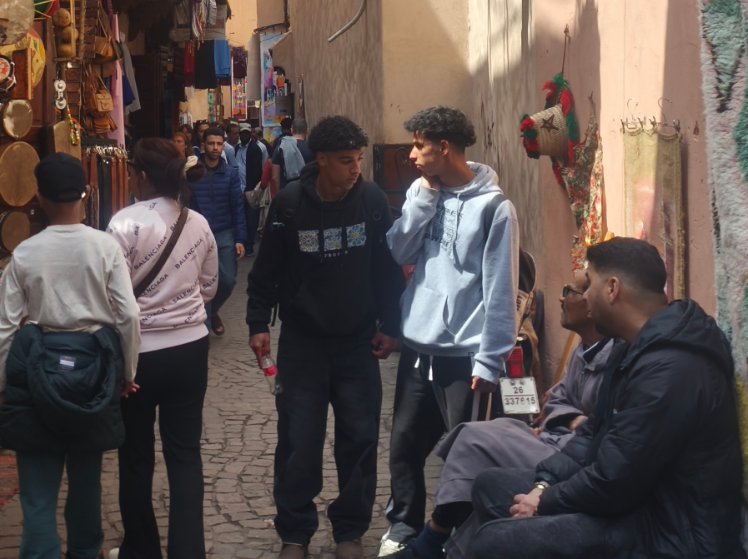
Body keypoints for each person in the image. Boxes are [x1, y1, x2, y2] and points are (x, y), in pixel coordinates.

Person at [464, 237, 743, 559]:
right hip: (634, 506)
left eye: (589, 286)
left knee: (494, 543)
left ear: (612, 288)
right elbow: (592, 434)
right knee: (490, 486)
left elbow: (615, 482)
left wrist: (545, 502)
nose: (584, 297)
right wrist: (543, 485)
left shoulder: (672, 370)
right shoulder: (632, 346)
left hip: (669, 532)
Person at [246, 116, 406, 559]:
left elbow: (387, 272)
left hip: (357, 344)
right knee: (299, 440)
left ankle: (350, 531)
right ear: (320, 160)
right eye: (345, 161)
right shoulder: (291, 204)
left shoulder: (371, 200)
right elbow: (266, 270)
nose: (355, 169)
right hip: (303, 345)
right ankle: (294, 532)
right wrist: (258, 323)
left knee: (360, 439)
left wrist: (390, 326)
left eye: (358, 159)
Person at [382, 106, 520, 556]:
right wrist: (422, 199)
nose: (412, 154)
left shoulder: (496, 209)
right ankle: (401, 529)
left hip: (464, 355)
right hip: (418, 347)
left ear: (444, 148)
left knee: (466, 458)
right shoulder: (423, 192)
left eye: (419, 146)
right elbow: (398, 246)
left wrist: (490, 358)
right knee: (404, 445)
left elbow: (500, 288)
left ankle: (459, 537)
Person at [0, 153, 141, 559]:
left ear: (38, 197)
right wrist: (127, 373)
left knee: (37, 493)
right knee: (87, 482)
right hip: (92, 369)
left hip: (37, 366)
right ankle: (85, 552)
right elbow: (128, 314)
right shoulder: (105, 246)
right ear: (86, 194)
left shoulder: (24, 253)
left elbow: (6, 327)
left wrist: (2, 384)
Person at [399, 275, 613, 559]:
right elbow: (557, 400)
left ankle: (433, 541)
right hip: (555, 439)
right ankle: (436, 541)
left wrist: (575, 423)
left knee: (475, 441)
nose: (561, 299)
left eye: (569, 291)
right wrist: (573, 419)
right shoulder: (583, 348)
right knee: (475, 434)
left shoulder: (618, 358)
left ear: (591, 303)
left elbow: (599, 431)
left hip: (569, 453)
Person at [107, 139, 219, 559]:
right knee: (185, 454)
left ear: (139, 176)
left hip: (139, 355)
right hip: (190, 348)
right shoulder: (198, 223)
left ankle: (141, 550)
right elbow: (210, 287)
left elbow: (112, 296)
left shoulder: (123, 223)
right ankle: (188, 551)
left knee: (135, 454)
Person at [188, 125, 245, 336]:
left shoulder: (230, 174)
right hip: (198, 235)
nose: (215, 147)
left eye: (219, 143)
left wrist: (240, 238)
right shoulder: (193, 172)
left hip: (224, 234)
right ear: (203, 145)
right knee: (202, 282)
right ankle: (203, 332)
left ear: (224, 145)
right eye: (211, 143)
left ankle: (212, 312)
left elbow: (237, 207)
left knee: (228, 280)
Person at [237, 124, 267, 254]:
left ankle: (248, 246)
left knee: (251, 218)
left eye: (247, 133)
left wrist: (247, 190)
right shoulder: (238, 148)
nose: (244, 136)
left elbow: (256, 171)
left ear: (251, 134)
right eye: (242, 133)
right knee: (241, 218)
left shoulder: (255, 149)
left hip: (250, 190)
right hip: (239, 188)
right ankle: (242, 244)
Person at [272, 118, 314, 192]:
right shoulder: (313, 148)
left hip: (286, 192)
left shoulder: (280, 147)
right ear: (307, 130)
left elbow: (275, 177)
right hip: (308, 193)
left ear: (291, 130)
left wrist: (279, 195)